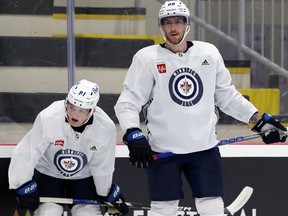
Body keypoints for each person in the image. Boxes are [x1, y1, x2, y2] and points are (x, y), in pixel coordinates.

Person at [114, 1, 287, 216]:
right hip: (163, 149)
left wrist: (259, 121)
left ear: (187, 25)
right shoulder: (147, 58)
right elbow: (129, 100)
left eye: (178, 21)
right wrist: (133, 132)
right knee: (163, 209)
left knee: (212, 206)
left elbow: (227, 96)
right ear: (161, 26)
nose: (173, 28)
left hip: (204, 149)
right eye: (167, 23)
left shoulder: (209, 53)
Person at [8, 79, 129, 216]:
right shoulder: (48, 117)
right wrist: (23, 185)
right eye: (71, 107)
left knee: (86, 213)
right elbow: (27, 152)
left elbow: (102, 165)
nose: (74, 114)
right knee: (49, 212)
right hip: (48, 173)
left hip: (83, 177)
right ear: (66, 103)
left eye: (81, 110)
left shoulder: (105, 127)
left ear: (92, 110)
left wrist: (106, 193)